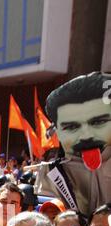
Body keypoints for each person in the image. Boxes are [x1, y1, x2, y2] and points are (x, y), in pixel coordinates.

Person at [34, 72, 111, 217]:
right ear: (57, 131)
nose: (86, 135)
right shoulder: (51, 174)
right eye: (71, 127)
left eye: (98, 122)